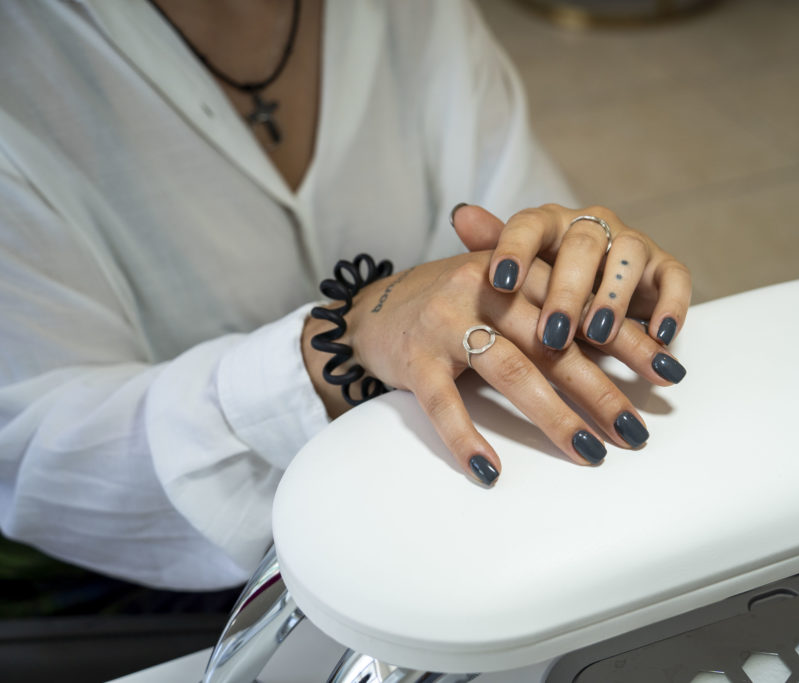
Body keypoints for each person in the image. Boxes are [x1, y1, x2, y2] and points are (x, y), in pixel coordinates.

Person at [0, 0, 690, 593]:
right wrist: (337, 342)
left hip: (466, 535)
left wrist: (576, 283)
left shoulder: (416, 14)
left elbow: (502, 241)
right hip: (170, 603)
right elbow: (35, 452)